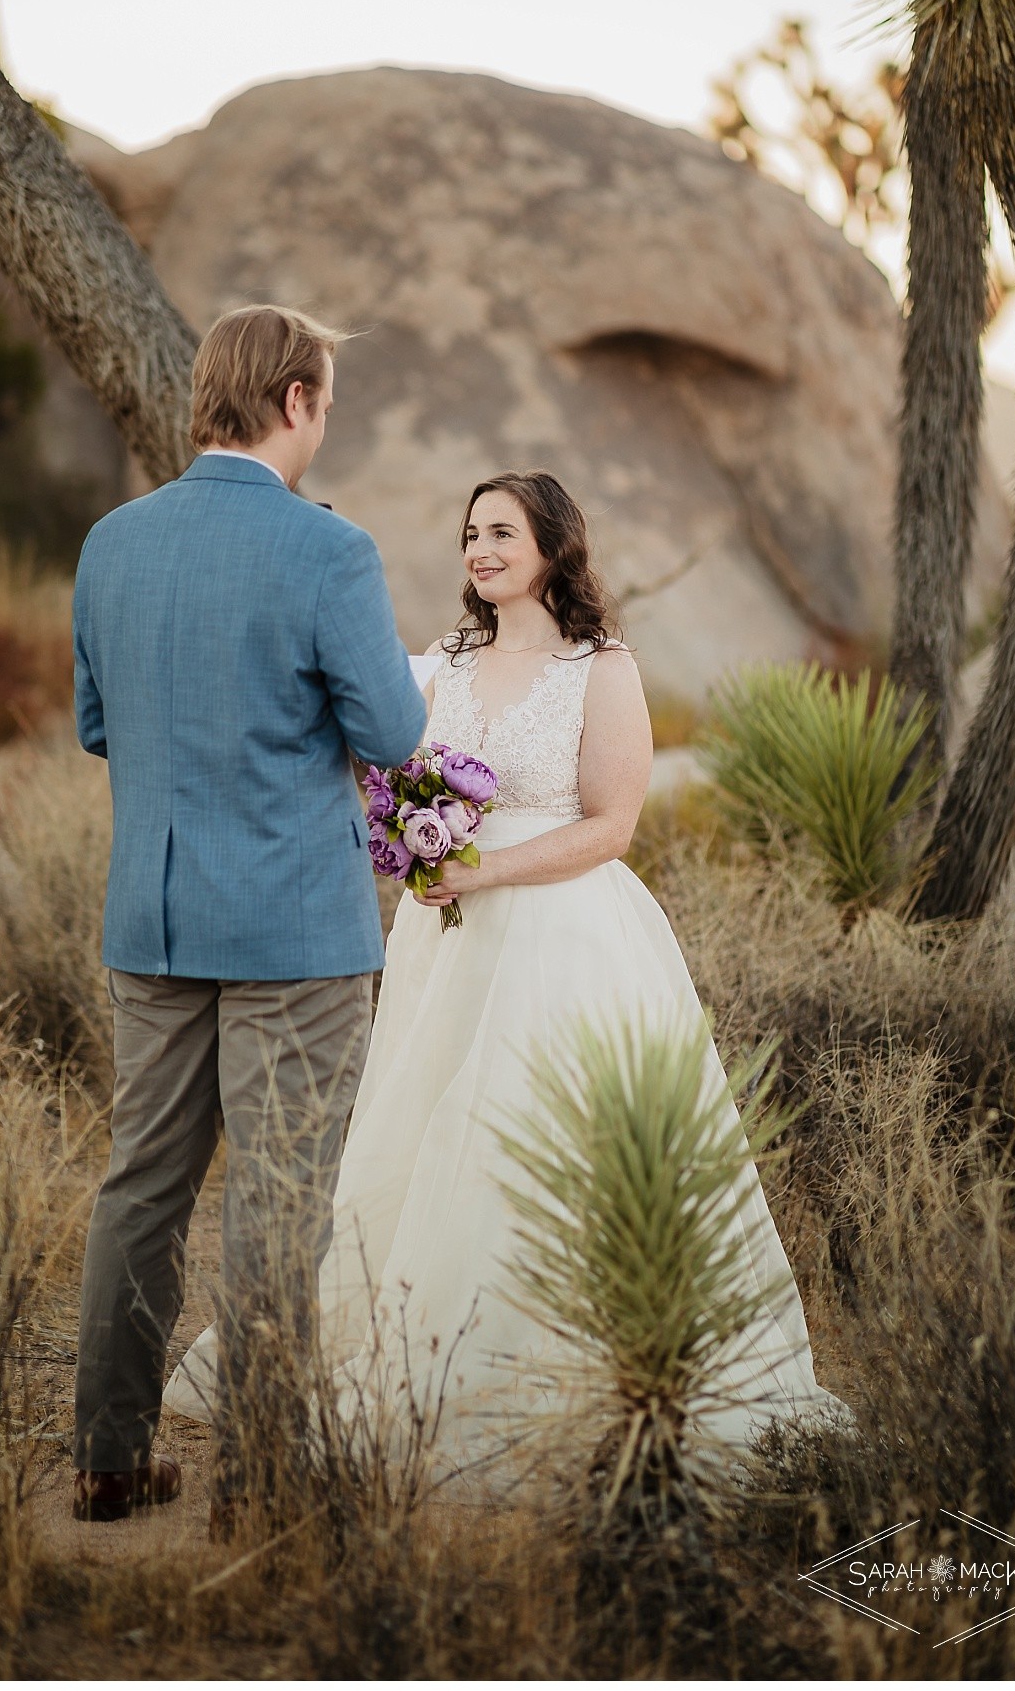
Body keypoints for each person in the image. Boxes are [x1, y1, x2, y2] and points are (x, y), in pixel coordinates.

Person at [164, 470, 843, 1481]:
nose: (479, 549)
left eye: (501, 531)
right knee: (421, 1130)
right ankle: (421, 1346)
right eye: (470, 533)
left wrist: (478, 866)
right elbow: (365, 753)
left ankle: (575, 1373)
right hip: (444, 943)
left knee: (533, 1135)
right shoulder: (440, 662)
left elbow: (612, 826)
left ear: (551, 546)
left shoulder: (599, 667)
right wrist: (405, 837)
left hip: (563, 936)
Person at [66, 305, 428, 1522]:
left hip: (153, 921)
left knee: (141, 1189)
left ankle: (108, 1458)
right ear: (292, 404)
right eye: (323, 400)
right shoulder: (329, 552)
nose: (324, 419)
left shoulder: (111, 542)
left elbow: (98, 724)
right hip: (293, 932)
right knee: (279, 1198)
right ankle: (266, 1475)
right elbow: (390, 733)